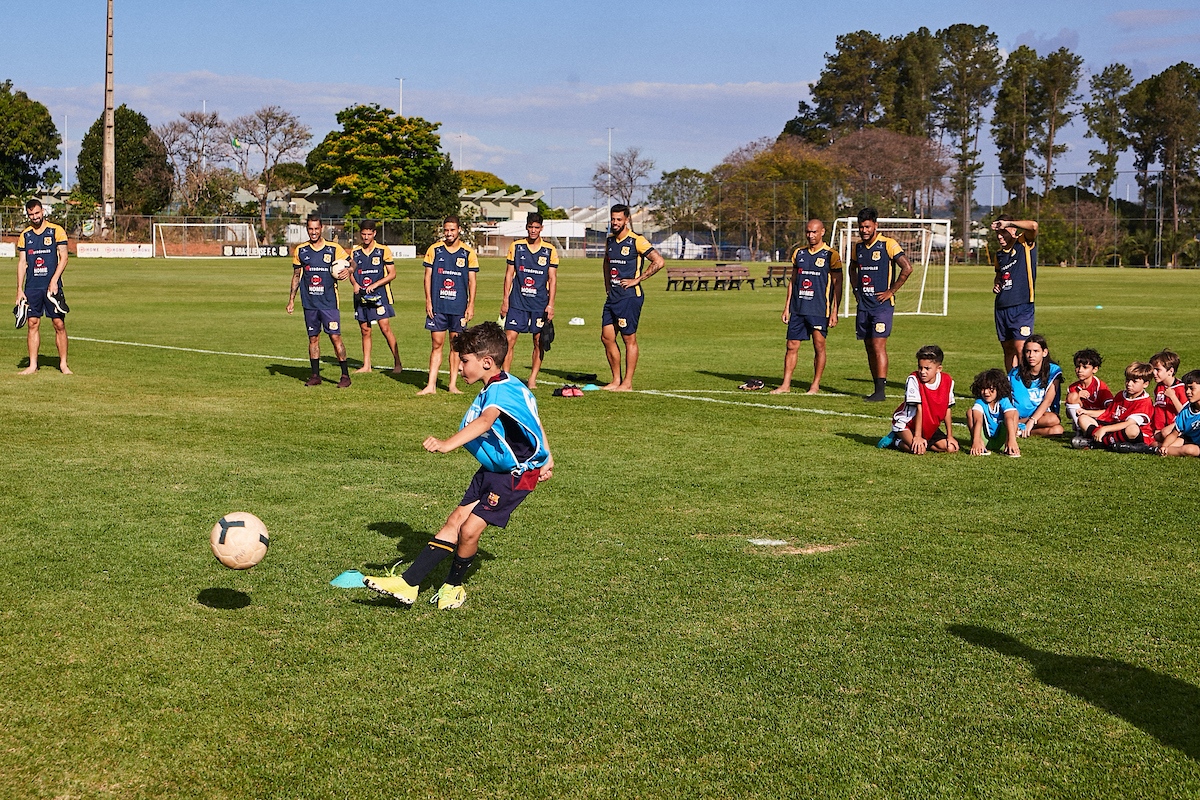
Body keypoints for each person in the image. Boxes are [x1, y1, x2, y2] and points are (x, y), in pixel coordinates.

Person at [362, 321, 553, 610]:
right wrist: (548, 456)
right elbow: (534, 420)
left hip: (515, 475)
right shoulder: (510, 384)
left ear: (487, 362)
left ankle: (453, 586)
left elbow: (486, 421)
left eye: (465, 361)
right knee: (455, 521)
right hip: (495, 468)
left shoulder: (501, 392)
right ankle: (409, 583)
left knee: (469, 530)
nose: (461, 368)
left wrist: (447, 443)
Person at [770, 219, 843, 395]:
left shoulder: (830, 255)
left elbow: (837, 283)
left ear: (822, 232)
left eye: (814, 232)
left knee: (819, 345)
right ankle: (785, 384)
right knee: (791, 345)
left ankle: (815, 385)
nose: (811, 235)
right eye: (808, 232)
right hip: (798, 308)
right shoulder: (799, 253)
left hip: (819, 309)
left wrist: (835, 311)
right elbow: (793, 281)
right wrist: (787, 307)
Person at [848, 207, 912, 401]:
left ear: (875, 225)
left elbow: (907, 268)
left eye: (867, 226)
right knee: (868, 346)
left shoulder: (888, 244)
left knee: (878, 345)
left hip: (882, 307)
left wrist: (891, 291)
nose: (864, 230)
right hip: (864, 306)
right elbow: (852, 268)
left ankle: (880, 391)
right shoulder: (857, 247)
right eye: (861, 227)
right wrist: (855, 289)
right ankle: (876, 387)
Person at [600, 204, 664, 391]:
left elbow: (659, 261)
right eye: (613, 219)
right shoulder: (610, 240)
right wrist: (607, 285)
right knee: (607, 337)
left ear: (627, 220)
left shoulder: (637, 240)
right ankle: (615, 380)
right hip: (613, 296)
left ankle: (627, 383)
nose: (615, 223)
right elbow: (606, 262)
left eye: (619, 219)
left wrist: (637, 279)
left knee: (629, 339)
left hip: (629, 297)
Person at [286, 215, 352, 387]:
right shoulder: (301, 250)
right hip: (310, 304)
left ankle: (345, 376)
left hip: (329, 302)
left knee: (335, 337)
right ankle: (315, 375)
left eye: (316, 229)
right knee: (313, 338)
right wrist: (291, 300)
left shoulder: (333, 248)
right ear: (307, 229)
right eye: (310, 229)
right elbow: (296, 276)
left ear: (321, 228)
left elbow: (352, 262)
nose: (313, 232)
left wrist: (349, 270)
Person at [419, 216, 478, 395]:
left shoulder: (468, 253)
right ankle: (431, 385)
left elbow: (472, 281)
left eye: (452, 230)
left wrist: (471, 305)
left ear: (459, 230)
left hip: (458, 307)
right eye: (446, 230)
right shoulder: (435, 250)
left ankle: (452, 385)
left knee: (456, 346)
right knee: (437, 344)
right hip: (438, 306)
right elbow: (427, 277)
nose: (449, 233)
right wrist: (428, 300)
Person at [500, 212, 558, 389]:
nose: (533, 230)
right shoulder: (516, 246)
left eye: (536, 227)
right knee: (509, 339)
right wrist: (505, 300)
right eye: (531, 227)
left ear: (541, 228)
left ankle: (532, 378)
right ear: (526, 227)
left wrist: (551, 304)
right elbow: (509, 274)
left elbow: (553, 279)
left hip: (540, 303)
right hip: (517, 302)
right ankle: (506, 378)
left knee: (539, 341)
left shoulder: (549, 250)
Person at [15, 199, 71, 375]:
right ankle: (32, 365)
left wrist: (54, 280)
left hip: (52, 287)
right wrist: (19, 289)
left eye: (37, 213)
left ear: (43, 211)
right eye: (31, 214)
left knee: (59, 323)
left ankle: (63, 364)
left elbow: (64, 258)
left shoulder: (56, 231)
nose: (34, 217)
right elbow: (22, 262)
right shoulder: (25, 235)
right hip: (32, 286)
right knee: (32, 323)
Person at [878, 344, 958, 454]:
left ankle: (922, 441)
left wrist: (950, 436)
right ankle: (895, 440)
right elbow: (920, 408)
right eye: (920, 367)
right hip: (907, 423)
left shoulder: (947, 381)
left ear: (938, 369)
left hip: (928, 426)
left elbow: (947, 409)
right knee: (918, 450)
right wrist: (918, 436)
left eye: (927, 368)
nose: (922, 372)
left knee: (950, 448)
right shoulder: (913, 379)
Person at [349, 220, 401, 374]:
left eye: (368, 234)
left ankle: (398, 363)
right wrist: (354, 284)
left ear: (374, 233)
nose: (365, 237)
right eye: (363, 234)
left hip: (380, 296)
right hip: (361, 296)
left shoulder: (383, 250)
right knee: (365, 330)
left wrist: (376, 284)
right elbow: (351, 272)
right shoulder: (355, 252)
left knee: (385, 328)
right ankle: (366, 365)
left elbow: (392, 274)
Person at [989, 215, 1039, 370]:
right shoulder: (999, 254)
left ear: (1012, 230)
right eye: (997, 233)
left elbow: (1034, 226)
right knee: (1008, 350)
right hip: (1002, 308)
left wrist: (1008, 223)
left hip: (1022, 306)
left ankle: (1027, 386)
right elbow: (999, 275)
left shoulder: (1023, 243)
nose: (999, 236)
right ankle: (1012, 387)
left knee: (1022, 349)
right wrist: (997, 283)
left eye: (1003, 232)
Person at [1074, 361, 1155, 453]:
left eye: (1134, 381)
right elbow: (1108, 412)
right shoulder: (1121, 394)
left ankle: (1099, 442)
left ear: (1145, 384)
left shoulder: (1145, 402)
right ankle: (1109, 442)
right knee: (1082, 419)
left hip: (1130, 431)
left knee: (1132, 429)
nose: (1129, 384)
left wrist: (1104, 429)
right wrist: (1086, 412)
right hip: (1113, 428)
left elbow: (1128, 423)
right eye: (1128, 380)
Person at [1008, 334, 1064, 437]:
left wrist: (1032, 420)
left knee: (1057, 429)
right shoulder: (1015, 373)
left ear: (1044, 352)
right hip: (1020, 415)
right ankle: (1016, 423)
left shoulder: (1053, 370)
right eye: (1028, 351)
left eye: (1036, 351)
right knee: (1053, 420)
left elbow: (1048, 400)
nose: (1031, 355)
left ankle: (1020, 430)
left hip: (1042, 415)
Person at [965, 368, 1021, 457]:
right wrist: (976, 440)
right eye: (983, 389)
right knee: (970, 413)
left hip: (1002, 441)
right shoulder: (980, 402)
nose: (986, 392)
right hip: (985, 440)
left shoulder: (1004, 401)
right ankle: (979, 446)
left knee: (1014, 413)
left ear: (999, 388)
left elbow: (1009, 418)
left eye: (990, 389)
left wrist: (1012, 440)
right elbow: (977, 420)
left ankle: (1010, 447)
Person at [1064, 348, 1112, 432]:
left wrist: (1087, 412)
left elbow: (1111, 410)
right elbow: (1068, 415)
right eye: (1077, 367)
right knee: (1072, 396)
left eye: (1085, 367)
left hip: (1101, 420)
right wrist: (1077, 396)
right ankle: (1080, 430)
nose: (1080, 370)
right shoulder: (1073, 387)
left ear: (1095, 369)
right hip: (1082, 419)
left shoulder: (1100, 387)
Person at [1158, 369, 1200, 457]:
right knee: (1171, 444)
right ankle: (1159, 448)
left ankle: (1156, 448)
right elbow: (1174, 433)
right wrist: (1165, 446)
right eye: (1186, 388)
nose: (1188, 392)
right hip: (1189, 439)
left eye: (1191, 388)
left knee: (1190, 450)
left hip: (1194, 446)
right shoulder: (1186, 410)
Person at [1149, 349, 1187, 443]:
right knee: (1154, 437)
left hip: (1179, 425)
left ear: (1170, 371)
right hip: (1162, 427)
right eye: (1153, 369)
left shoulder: (1181, 388)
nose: (1154, 373)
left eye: (1157, 369)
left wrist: (1173, 397)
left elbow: (1186, 414)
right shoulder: (1159, 387)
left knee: (1165, 433)